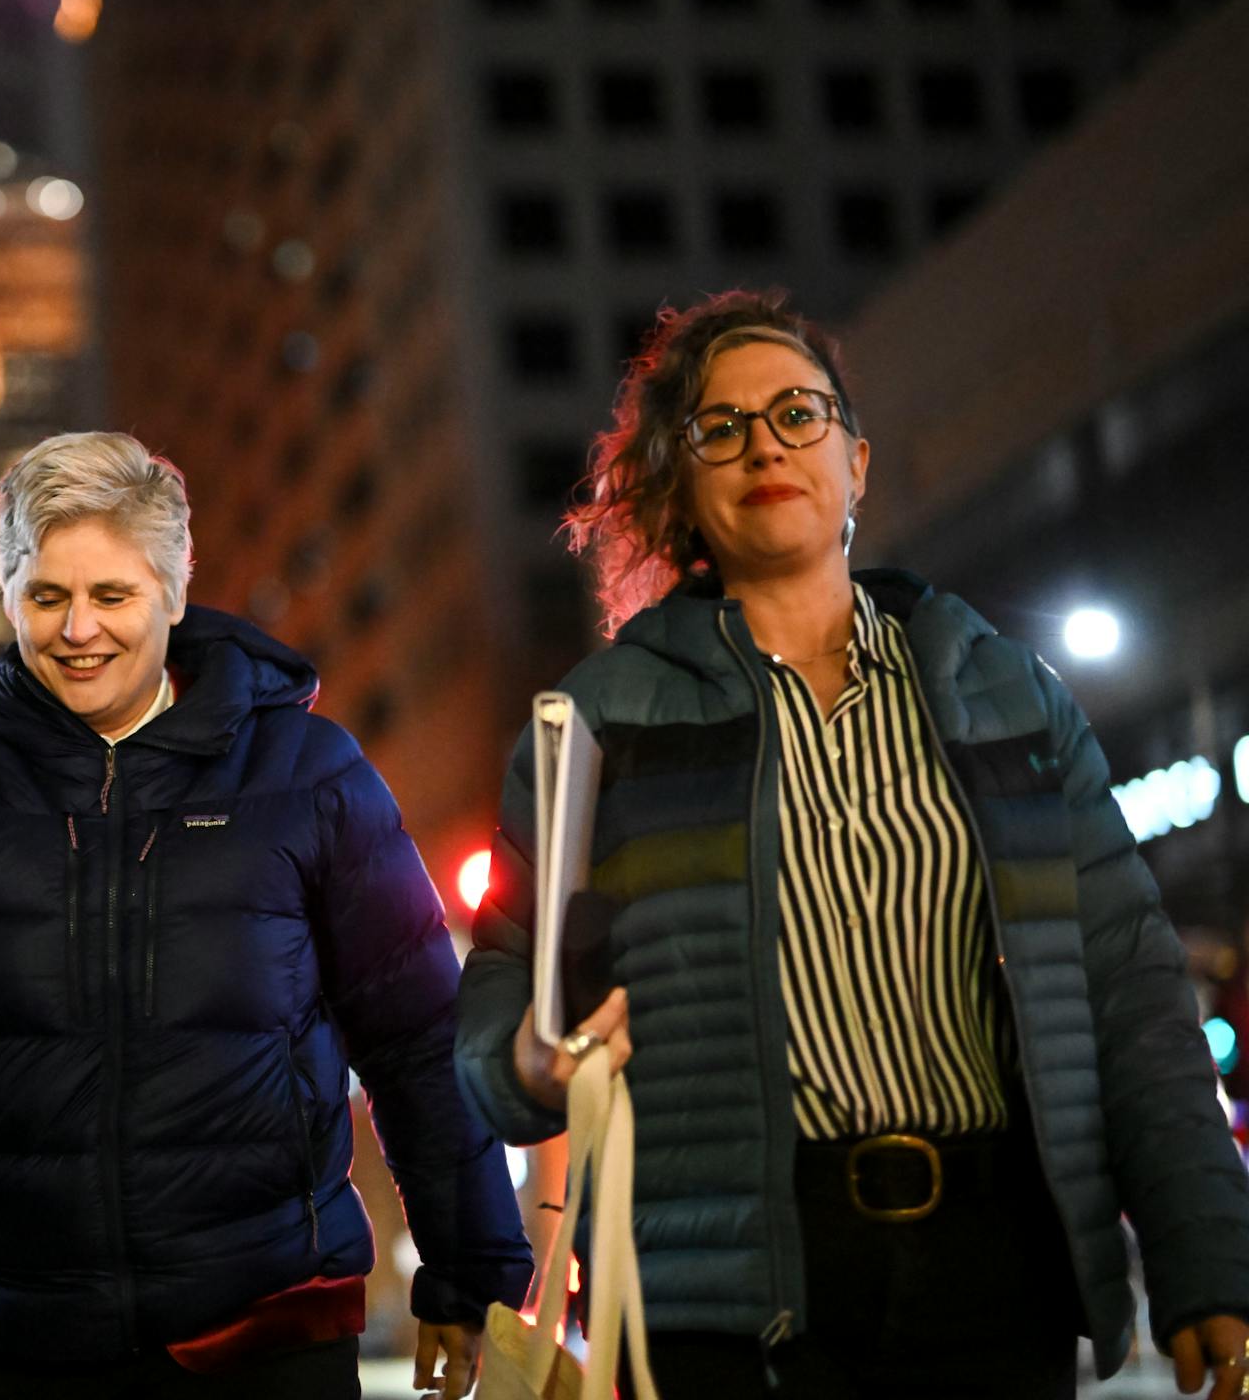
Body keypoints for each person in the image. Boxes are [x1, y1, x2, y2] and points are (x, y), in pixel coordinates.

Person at [454, 290, 1249, 1400]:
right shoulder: (602, 719)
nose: (763, 445)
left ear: (858, 462)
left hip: (994, 1272)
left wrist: (1206, 1256)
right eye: (719, 429)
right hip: (733, 1305)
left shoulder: (1007, 695)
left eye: (797, 413)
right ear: (683, 485)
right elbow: (500, 978)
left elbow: (1130, 989)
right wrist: (523, 1062)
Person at [0, 432, 532, 1399]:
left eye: (112, 595)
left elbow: (419, 1037)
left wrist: (472, 1273)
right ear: (9, 596)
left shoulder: (309, 776)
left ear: (174, 594)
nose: (77, 629)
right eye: (46, 595)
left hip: (267, 1331)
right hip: (12, 1340)